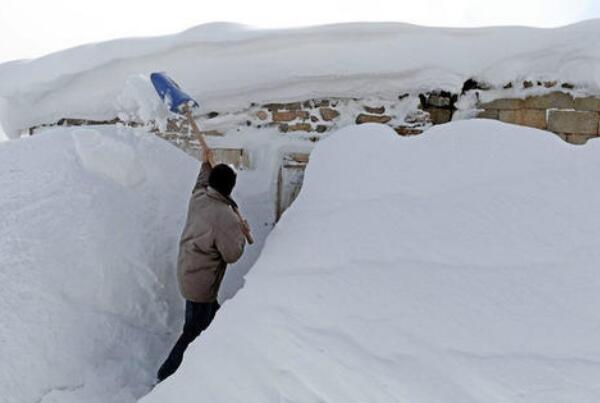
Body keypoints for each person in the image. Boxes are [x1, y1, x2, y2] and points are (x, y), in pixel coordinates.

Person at [157, 147, 249, 382]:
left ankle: (215, 351)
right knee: (193, 330)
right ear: (229, 189)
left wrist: (205, 163)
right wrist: (241, 232)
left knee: (212, 318)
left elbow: (201, 181)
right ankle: (167, 375)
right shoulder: (224, 216)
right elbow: (232, 254)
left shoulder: (199, 197)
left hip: (188, 270)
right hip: (201, 284)